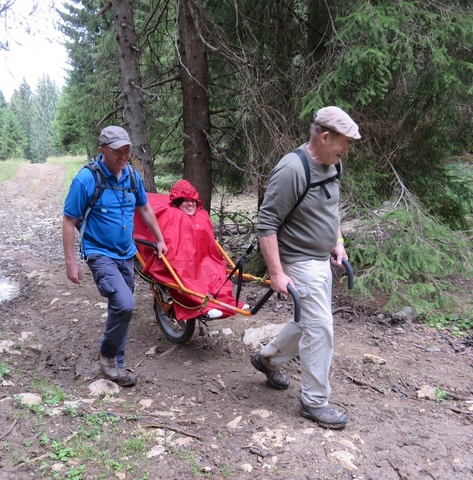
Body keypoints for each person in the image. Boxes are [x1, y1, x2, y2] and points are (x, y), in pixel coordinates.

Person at [250, 106, 360, 429]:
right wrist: (276, 273)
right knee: (321, 327)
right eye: (344, 143)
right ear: (325, 137)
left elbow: (331, 210)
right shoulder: (292, 170)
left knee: (308, 322)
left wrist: (337, 242)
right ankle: (314, 401)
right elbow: (267, 224)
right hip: (298, 261)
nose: (347, 151)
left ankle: (266, 358)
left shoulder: (333, 165)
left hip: (321, 259)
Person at [62, 126, 168, 387]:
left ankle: (116, 366)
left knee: (120, 308)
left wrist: (159, 238)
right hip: (99, 253)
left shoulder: (131, 175)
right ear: (102, 151)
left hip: (126, 253)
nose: (123, 156)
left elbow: (144, 207)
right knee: (125, 304)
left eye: (127, 150)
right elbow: (68, 220)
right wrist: (70, 262)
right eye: (117, 151)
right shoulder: (87, 179)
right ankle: (108, 356)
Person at [136, 179, 244, 321]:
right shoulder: (171, 215)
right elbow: (168, 241)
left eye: (192, 200)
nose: (190, 203)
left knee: (216, 271)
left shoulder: (201, 216)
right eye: (185, 201)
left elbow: (208, 242)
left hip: (202, 259)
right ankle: (203, 307)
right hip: (179, 260)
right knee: (185, 275)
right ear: (177, 202)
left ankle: (226, 303)